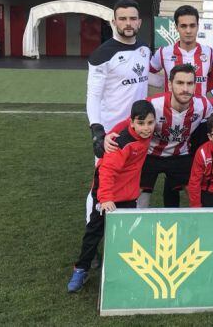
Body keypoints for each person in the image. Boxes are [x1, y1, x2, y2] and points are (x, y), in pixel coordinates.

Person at [67, 99, 155, 293]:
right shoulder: (120, 143)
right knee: (94, 232)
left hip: (128, 194)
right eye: (141, 123)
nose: (146, 128)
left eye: (150, 123)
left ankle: (124, 268)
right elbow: (106, 171)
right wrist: (106, 198)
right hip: (106, 191)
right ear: (132, 122)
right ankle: (81, 269)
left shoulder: (145, 132)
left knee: (127, 234)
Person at [104, 64, 213, 208]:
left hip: (180, 155)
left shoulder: (204, 106)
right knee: (137, 194)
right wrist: (107, 136)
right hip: (150, 154)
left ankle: (202, 220)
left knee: (195, 193)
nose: (185, 89)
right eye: (180, 83)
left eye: (190, 83)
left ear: (195, 85)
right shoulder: (154, 104)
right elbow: (129, 122)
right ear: (170, 84)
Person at [86, 0, 150, 168]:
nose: (128, 23)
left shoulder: (144, 49)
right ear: (114, 22)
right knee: (106, 180)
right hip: (112, 133)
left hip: (139, 129)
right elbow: (93, 96)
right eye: (122, 19)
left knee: (133, 178)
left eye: (133, 18)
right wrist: (97, 131)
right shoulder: (102, 54)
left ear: (139, 22)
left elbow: (147, 76)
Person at [149, 5, 212, 97]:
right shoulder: (163, 52)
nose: (188, 31)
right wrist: (162, 82)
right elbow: (146, 72)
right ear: (176, 27)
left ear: (198, 26)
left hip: (200, 106)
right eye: (183, 26)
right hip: (172, 106)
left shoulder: (209, 52)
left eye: (192, 26)